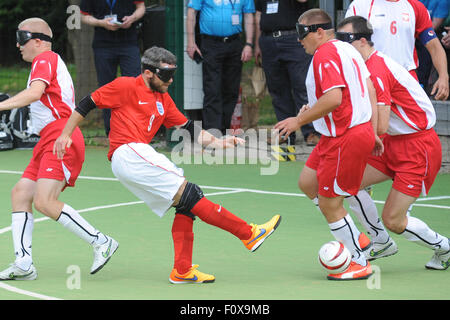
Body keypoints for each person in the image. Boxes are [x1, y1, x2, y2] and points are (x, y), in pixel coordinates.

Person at [53, 46, 282, 284]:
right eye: (165, 75)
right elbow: (87, 103)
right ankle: (249, 234)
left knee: (186, 204)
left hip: (135, 158)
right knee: (191, 194)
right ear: (148, 73)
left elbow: (188, 127)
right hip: (128, 153)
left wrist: (217, 141)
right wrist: (65, 134)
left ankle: (182, 271)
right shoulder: (125, 86)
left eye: (173, 73)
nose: (170, 80)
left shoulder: (163, 99)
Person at [0, 18, 118, 281]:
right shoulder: (45, 62)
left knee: (44, 201)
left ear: (38, 40)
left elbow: (34, 93)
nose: (18, 46)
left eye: (22, 39)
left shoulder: (45, 58)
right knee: (20, 193)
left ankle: (102, 241)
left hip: (61, 134)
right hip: (48, 138)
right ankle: (24, 264)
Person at [274, 9, 382, 280]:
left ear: (319, 32)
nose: (299, 41)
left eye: (302, 34)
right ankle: (356, 236)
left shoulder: (325, 53)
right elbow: (363, 89)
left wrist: (298, 121)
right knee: (308, 183)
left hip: (345, 136)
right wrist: (372, 128)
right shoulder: (347, 50)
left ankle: (359, 261)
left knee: (330, 204)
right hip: (339, 134)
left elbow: (334, 98)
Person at [336, 15, 449, 270]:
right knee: (346, 182)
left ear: (362, 41)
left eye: (346, 40)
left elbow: (381, 125)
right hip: (390, 142)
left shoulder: (376, 70)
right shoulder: (362, 66)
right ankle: (380, 241)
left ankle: (444, 247)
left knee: (394, 220)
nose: (341, 46)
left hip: (416, 146)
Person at [346, 0, 449, 101]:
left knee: (425, 117)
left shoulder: (415, 6)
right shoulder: (359, 5)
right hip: (371, 80)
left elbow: (434, 46)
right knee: (375, 118)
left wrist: (443, 76)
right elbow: (348, 47)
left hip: (406, 80)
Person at [254, 0, 320, 146]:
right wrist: (257, 43)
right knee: (277, 90)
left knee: (302, 87)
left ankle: (311, 132)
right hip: (268, 40)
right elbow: (259, 15)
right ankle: (285, 133)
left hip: (293, 39)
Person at [186, 0, 255, 135]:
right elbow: (191, 12)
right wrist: (191, 42)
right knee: (212, 89)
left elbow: (248, 16)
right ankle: (212, 132)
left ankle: (223, 130)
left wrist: (249, 43)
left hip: (234, 42)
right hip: (210, 43)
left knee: (231, 89)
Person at [80, 0, 145, 136]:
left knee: (135, 86)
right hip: (103, 45)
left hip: (129, 43)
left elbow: (141, 7)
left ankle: (135, 128)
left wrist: (132, 18)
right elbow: (83, 16)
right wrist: (101, 23)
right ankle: (111, 131)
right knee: (106, 88)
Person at [416, 0, 450, 90]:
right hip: (417, 31)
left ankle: (422, 83)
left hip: (437, 31)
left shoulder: (443, 1)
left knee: (428, 41)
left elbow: (433, 25)